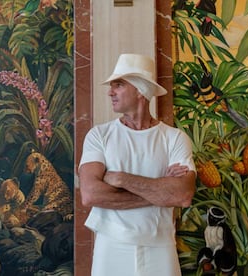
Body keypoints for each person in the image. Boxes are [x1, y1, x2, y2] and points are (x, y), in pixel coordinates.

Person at [78, 53, 196, 276]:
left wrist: (122, 179)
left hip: (161, 247)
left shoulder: (175, 138)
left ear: (141, 90)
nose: (110, 92)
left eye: (119, 85)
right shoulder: (99, 135)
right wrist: (160, 193)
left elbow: (183, 195)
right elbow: (90, 194)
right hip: (111, 246)